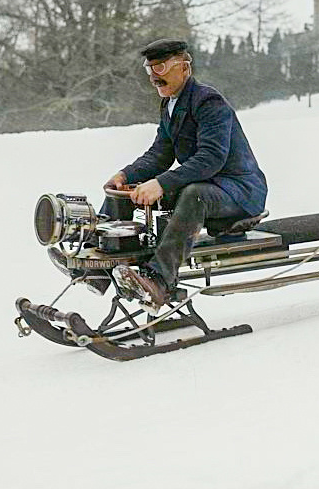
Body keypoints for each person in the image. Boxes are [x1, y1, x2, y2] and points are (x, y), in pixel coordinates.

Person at [106, 38, 268, 310]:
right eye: (150, 70)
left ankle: (158, 281)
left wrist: (161, 183)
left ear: (184, 68)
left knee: (194, 195)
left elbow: (211, 158)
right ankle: (101, 263)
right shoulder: (171, 104)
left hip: (239, 192)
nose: (154, 78)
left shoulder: (208, 101)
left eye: (161, 69)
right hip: (210, 186)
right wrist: (124, 175)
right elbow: (160, 154)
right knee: (126, 193)